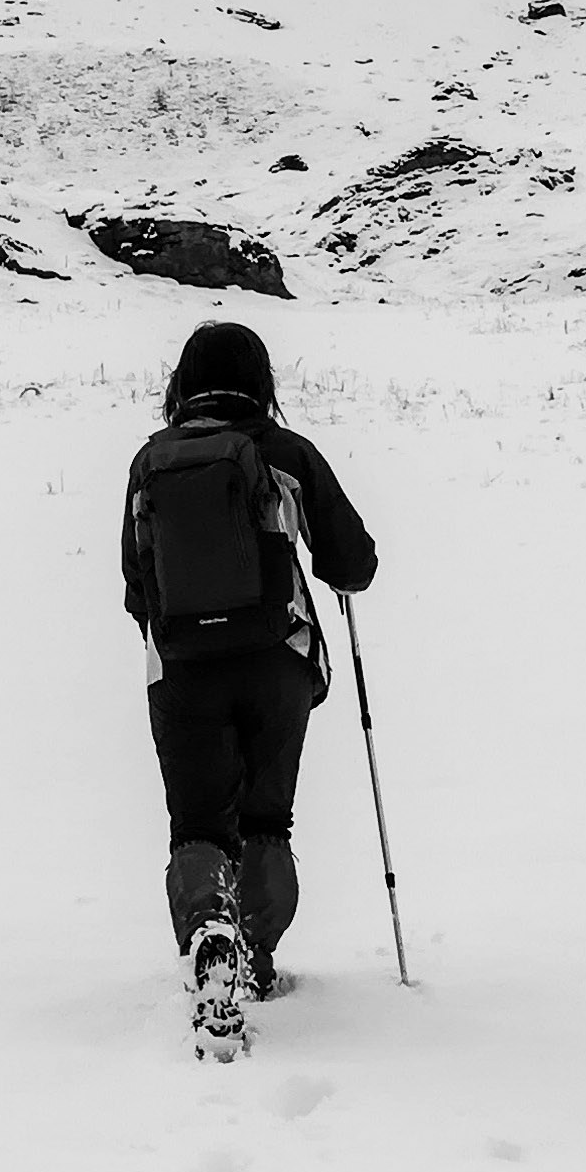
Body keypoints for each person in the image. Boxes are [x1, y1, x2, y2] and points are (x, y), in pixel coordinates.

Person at [119, 318, 378, 1000]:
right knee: (267, 821)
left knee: (198, 827)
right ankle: (255, 957)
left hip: (181, 668)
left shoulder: (152, 462)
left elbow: (137, 586)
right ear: (261, 381)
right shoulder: (286, 452)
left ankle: (209, 931)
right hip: (278, 661)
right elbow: (351, 562)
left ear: (184, 384)